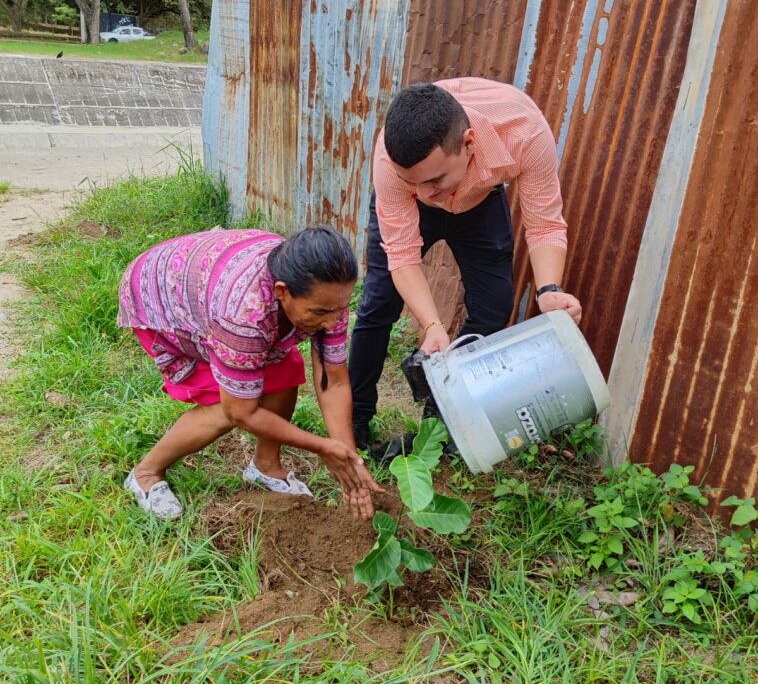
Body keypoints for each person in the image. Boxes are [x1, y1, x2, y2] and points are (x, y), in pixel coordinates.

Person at [349, 77, 582, 451]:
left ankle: (439, 426)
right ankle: (356, 419)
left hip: (480, 201)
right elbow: (402, 255)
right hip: (406, 212)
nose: (426, 193)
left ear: (469, 143)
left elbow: (544, 224)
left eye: (434, 179)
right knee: (379, 302)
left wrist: (549, 290)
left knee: (493, 308)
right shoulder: (389, 163)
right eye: (413, 181)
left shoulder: (524, 132)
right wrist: (433, 325)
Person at [118, 225, 380, 521]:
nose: (333, 322)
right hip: (163, 292)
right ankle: (145, 473)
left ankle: (265, 466)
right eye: (321, 313)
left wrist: (349, 459)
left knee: (284, 372)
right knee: (224, 405)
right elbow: (241, 412)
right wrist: (321, 446)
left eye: (340, 309)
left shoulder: (328, 294)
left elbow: (333, 379)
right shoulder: (244, 315)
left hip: (211, 274)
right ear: (283, 292)